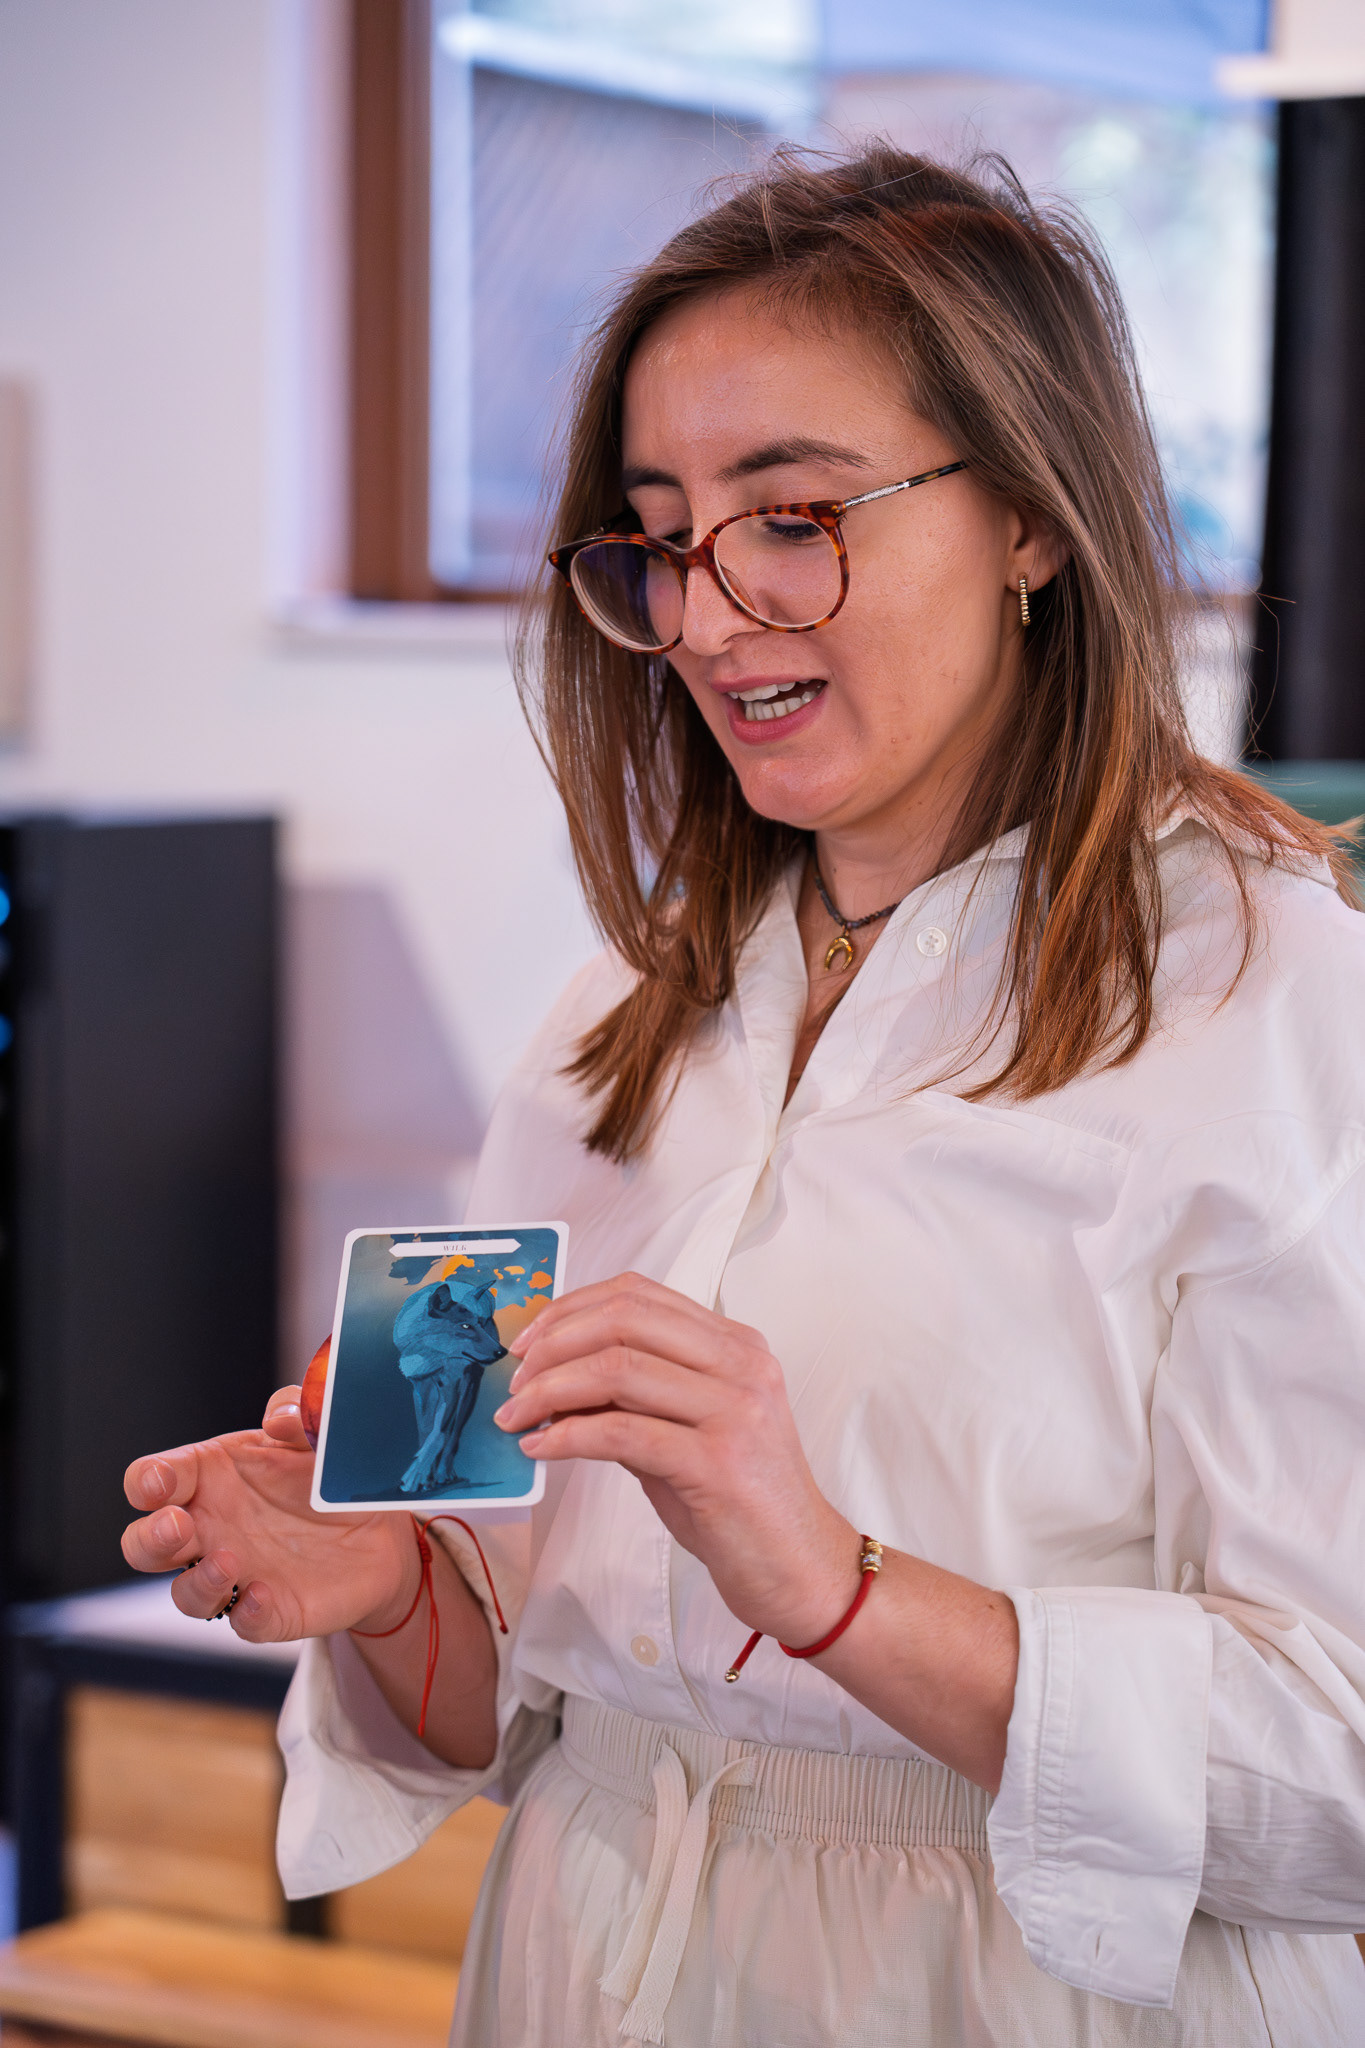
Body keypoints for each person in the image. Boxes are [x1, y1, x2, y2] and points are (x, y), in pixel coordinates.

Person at [121, 148, 1365, 2044]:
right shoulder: (619, 1016)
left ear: (1030, 519)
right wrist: (387, 1586)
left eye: (791, 517)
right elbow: (527, 1686)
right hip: (584, 1959)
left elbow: (1340, 1775)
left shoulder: (1281, 1005)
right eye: (659, 536)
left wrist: (836, 1587)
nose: (704, 619)